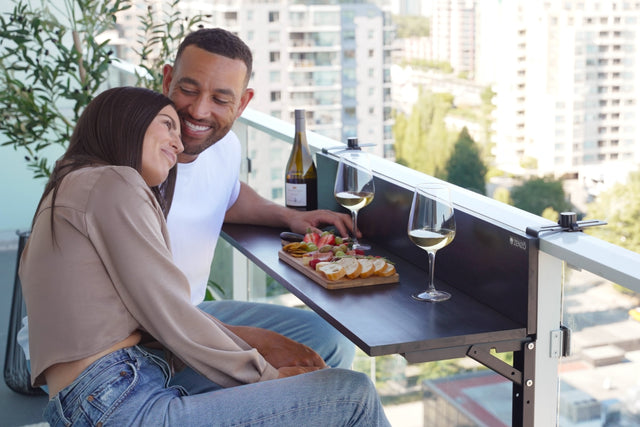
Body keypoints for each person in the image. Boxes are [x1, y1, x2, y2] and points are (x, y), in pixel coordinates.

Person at [20, 86, 390, 426]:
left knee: (315, 359)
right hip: (117, 398)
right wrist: (266, 376)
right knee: (351, 394)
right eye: (167, 125)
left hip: (95, 397)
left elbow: (152, 318)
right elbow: (169, 311)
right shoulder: (113, 182)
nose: (178, 145)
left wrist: (260, 356)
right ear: (125, 121)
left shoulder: (71, 187)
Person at [160, 27, 357, 392]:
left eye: (220, 98)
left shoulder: (224, 147)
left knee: (327, 341)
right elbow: (125, 307)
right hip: (127, 343)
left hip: (190, 314)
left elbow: (228, 195)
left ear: (244, 102)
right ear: (167, 79)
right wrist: (247, 340)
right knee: (304, 383)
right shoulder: (132, 157)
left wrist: (289, 216)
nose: (200, 110)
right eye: (189, 90)